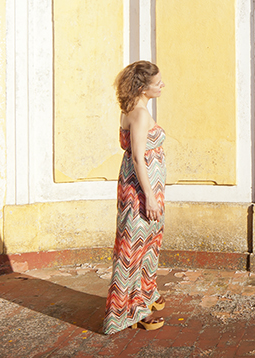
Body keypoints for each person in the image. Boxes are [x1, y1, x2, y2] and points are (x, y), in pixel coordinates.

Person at [103, 61, 167, 332]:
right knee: (133, 249)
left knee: (147, 244)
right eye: (158, 82)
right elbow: (139, 158)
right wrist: (150, 197)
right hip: (142, 190)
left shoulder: (131, 109)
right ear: (143, 87)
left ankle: (145, 293)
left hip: (140, 186)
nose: (162, 85)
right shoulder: (139, 114)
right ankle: (129, 312)